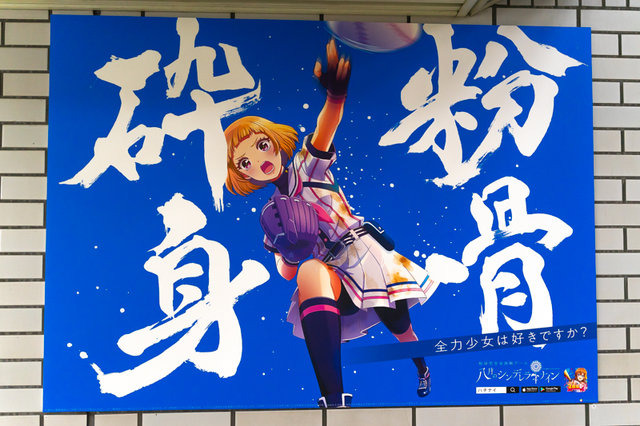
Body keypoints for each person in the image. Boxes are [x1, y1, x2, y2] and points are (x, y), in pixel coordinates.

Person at [224, 39, 436, 408]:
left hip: (364, 255)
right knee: (308, 272)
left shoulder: (306, 166)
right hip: (332, 271)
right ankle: (334, 398)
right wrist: (291, 252)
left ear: (274, 141)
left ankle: (422, 367)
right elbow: (285, 271)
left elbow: (326, 127)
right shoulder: (271, 214)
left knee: (402, 329)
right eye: (244, 163)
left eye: (261, 146)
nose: (258, 161)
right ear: (242, 175)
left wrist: (335, 96)